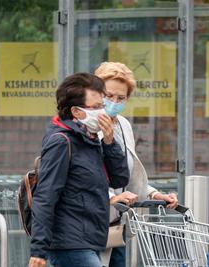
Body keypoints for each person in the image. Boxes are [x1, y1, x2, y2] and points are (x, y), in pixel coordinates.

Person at [28, 72, 130, 267]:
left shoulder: (90, 139)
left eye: (103, 105)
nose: (103, 112)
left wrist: (109, 142)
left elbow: (119, 179)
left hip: (90, 239)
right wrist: (38, 250)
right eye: (97, 107)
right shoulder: (61, 141)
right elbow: (45, 195)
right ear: (76, 112)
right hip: (69, 243)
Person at [95, 62, 179, 267]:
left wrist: (154, 194)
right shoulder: (88, 124)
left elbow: (128, 174)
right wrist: (113, 197)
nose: (114, 101)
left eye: (120, 98)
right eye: (108, 95)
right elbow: (83, 174)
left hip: (116, 224)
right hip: (88, 224)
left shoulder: (124, 125)